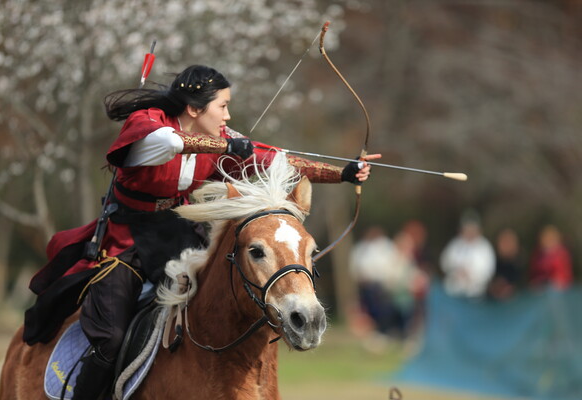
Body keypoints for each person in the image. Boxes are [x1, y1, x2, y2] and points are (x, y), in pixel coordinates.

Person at [22, 65, 380, 399]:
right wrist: (228, 146)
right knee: (111, 336)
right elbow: (171, 143)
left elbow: (278, 159)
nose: (227, 116)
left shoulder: (220, 136)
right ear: (194, 109)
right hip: (126, 243)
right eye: (222, 106)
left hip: (180, 237)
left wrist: (342, 174)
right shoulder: (147, 125)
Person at [439, 211, 495, 298]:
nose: (469, 231)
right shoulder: (455, 244)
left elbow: (488, 271)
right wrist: (456, 271)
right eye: (467, 228)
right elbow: (444, 263)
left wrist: (471, 275)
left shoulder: (485, 247)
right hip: (454, 293)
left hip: (475, 295)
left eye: (472, 228)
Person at [529, 225, 572, 290]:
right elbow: (534, 273)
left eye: (550, 239)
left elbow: (564, 273)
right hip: (541, 286)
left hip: (559, 286)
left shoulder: (562, 254)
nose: (548, 242)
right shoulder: (538, 255)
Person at [487, 228, 526, 300]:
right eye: (503, 242)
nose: (505, 245)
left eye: (509, 242)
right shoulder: (491, 264)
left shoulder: (523, 266)